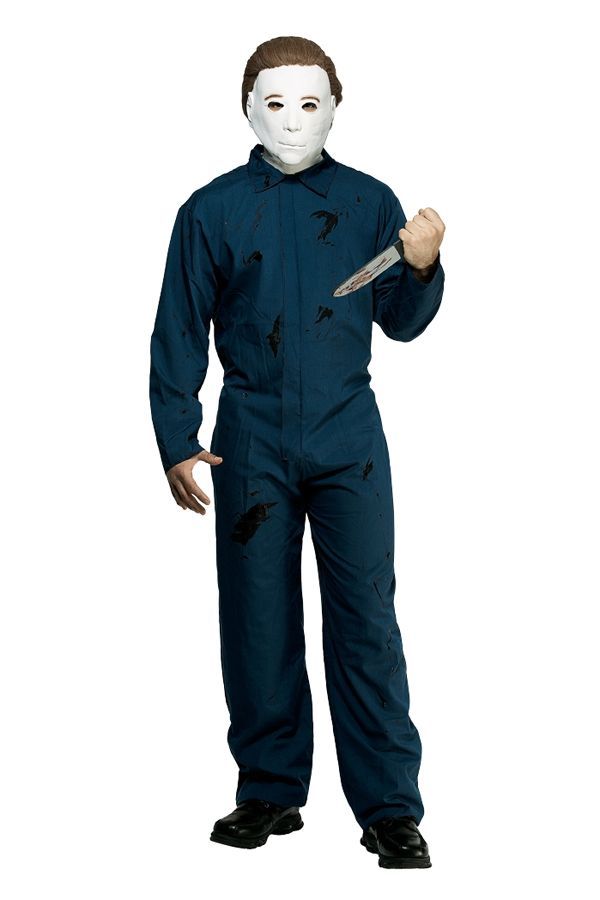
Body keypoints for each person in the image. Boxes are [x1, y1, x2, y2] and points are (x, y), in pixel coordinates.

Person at [149, 35, 446, 869]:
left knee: (366, 619)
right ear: (247, 108)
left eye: (309, 103)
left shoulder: (369, 202)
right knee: (256, 616)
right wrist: (177, 438)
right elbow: (178, 328)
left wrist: (422, 267)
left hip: (350, 439)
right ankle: (270, 790)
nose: (291, 120)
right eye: (274, 103)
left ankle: (390, 808)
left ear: (335, 108)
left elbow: (401, 322)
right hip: (251, 440)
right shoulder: (210, 210)